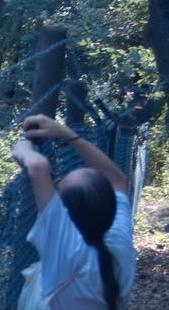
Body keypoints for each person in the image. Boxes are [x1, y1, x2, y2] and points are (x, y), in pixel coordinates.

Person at [12, 114, 136, 310]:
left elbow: (38, 167)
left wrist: (21, 148)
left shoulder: (65, 254)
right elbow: (117, 179)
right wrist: (66, 133)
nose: (56, 183)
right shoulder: (118, 243)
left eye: (59, 185)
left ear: (65, 216)